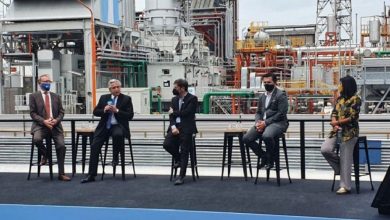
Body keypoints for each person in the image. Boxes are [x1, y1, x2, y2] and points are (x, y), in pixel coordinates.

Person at [81, 79, 134, 183]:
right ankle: (91, 175)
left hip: (118, 125)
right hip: (105, 126)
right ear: (110, 89)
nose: (117, 89)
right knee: (94, 146)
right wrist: (104, 110)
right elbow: (96, 112)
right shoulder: (104, 98)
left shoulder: (126, 99)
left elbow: (130, 115)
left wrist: (117, 111)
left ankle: (116, 156)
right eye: (114, 88)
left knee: (118, 134)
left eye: (118, 87)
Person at [321, 75, 361, 195]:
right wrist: (334, 123)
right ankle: (340, 168)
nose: (339, 86)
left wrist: (338, 122)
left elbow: (352, 117)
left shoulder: (356, 99)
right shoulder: (340, 99)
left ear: (346, 86)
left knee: (346, 157)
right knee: (325, 149)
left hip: (350, 133)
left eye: (341, 84)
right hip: (336, 131)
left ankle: (345, 186)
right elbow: (334, 112)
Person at [243, 72, 289, 169]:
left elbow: (281, 113)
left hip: (278, 123)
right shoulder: (262, 96)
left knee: (266, 136)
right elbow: (258, 112)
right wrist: (257, 123)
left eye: (269, 82)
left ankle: (271, 160)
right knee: (246, 138)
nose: (266, 84)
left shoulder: (281, 95)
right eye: (265, 83)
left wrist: (265, 123)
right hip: (263, 123)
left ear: (275, 82)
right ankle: (264, 156)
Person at [29, 74, 71, 181]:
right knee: (37, 139)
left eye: (49, 81)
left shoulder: (56, 96)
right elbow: (33, 113)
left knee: (61, 146)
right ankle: (46, 154)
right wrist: (44, 121)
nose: (47, 83)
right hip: (41, 126)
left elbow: (62, 112)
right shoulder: (33, 96)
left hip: (55, 126)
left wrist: (56, 120)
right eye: (45, 81)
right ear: (39, 83)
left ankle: (61, 174)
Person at [163, 79, 198, 185]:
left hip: (186, 128)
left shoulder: (192, 99)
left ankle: (181, 177)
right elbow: (171, 115)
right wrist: (173, 127)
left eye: (176, 87)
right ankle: (178, 159)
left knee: (184, 151)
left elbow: (187, 113)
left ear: (182, 88)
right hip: (175, 127)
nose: (174, 89)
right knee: (166, 144)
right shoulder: (174, 99)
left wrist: (174, 112)